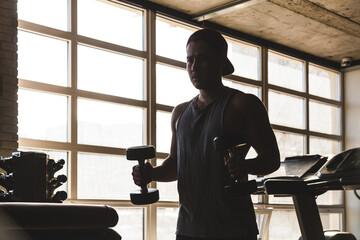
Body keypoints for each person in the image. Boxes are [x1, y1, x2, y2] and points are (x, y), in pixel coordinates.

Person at [132, 28, 280, 240]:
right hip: (187, 230)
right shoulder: (180, 113)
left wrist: (245, 166)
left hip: (233, 230)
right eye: (190, 60)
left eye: (203, 59)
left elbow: (272, 159)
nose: (194, 67)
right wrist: (151, 174)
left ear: (221, 62)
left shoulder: (243, 105)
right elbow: (175, 164)